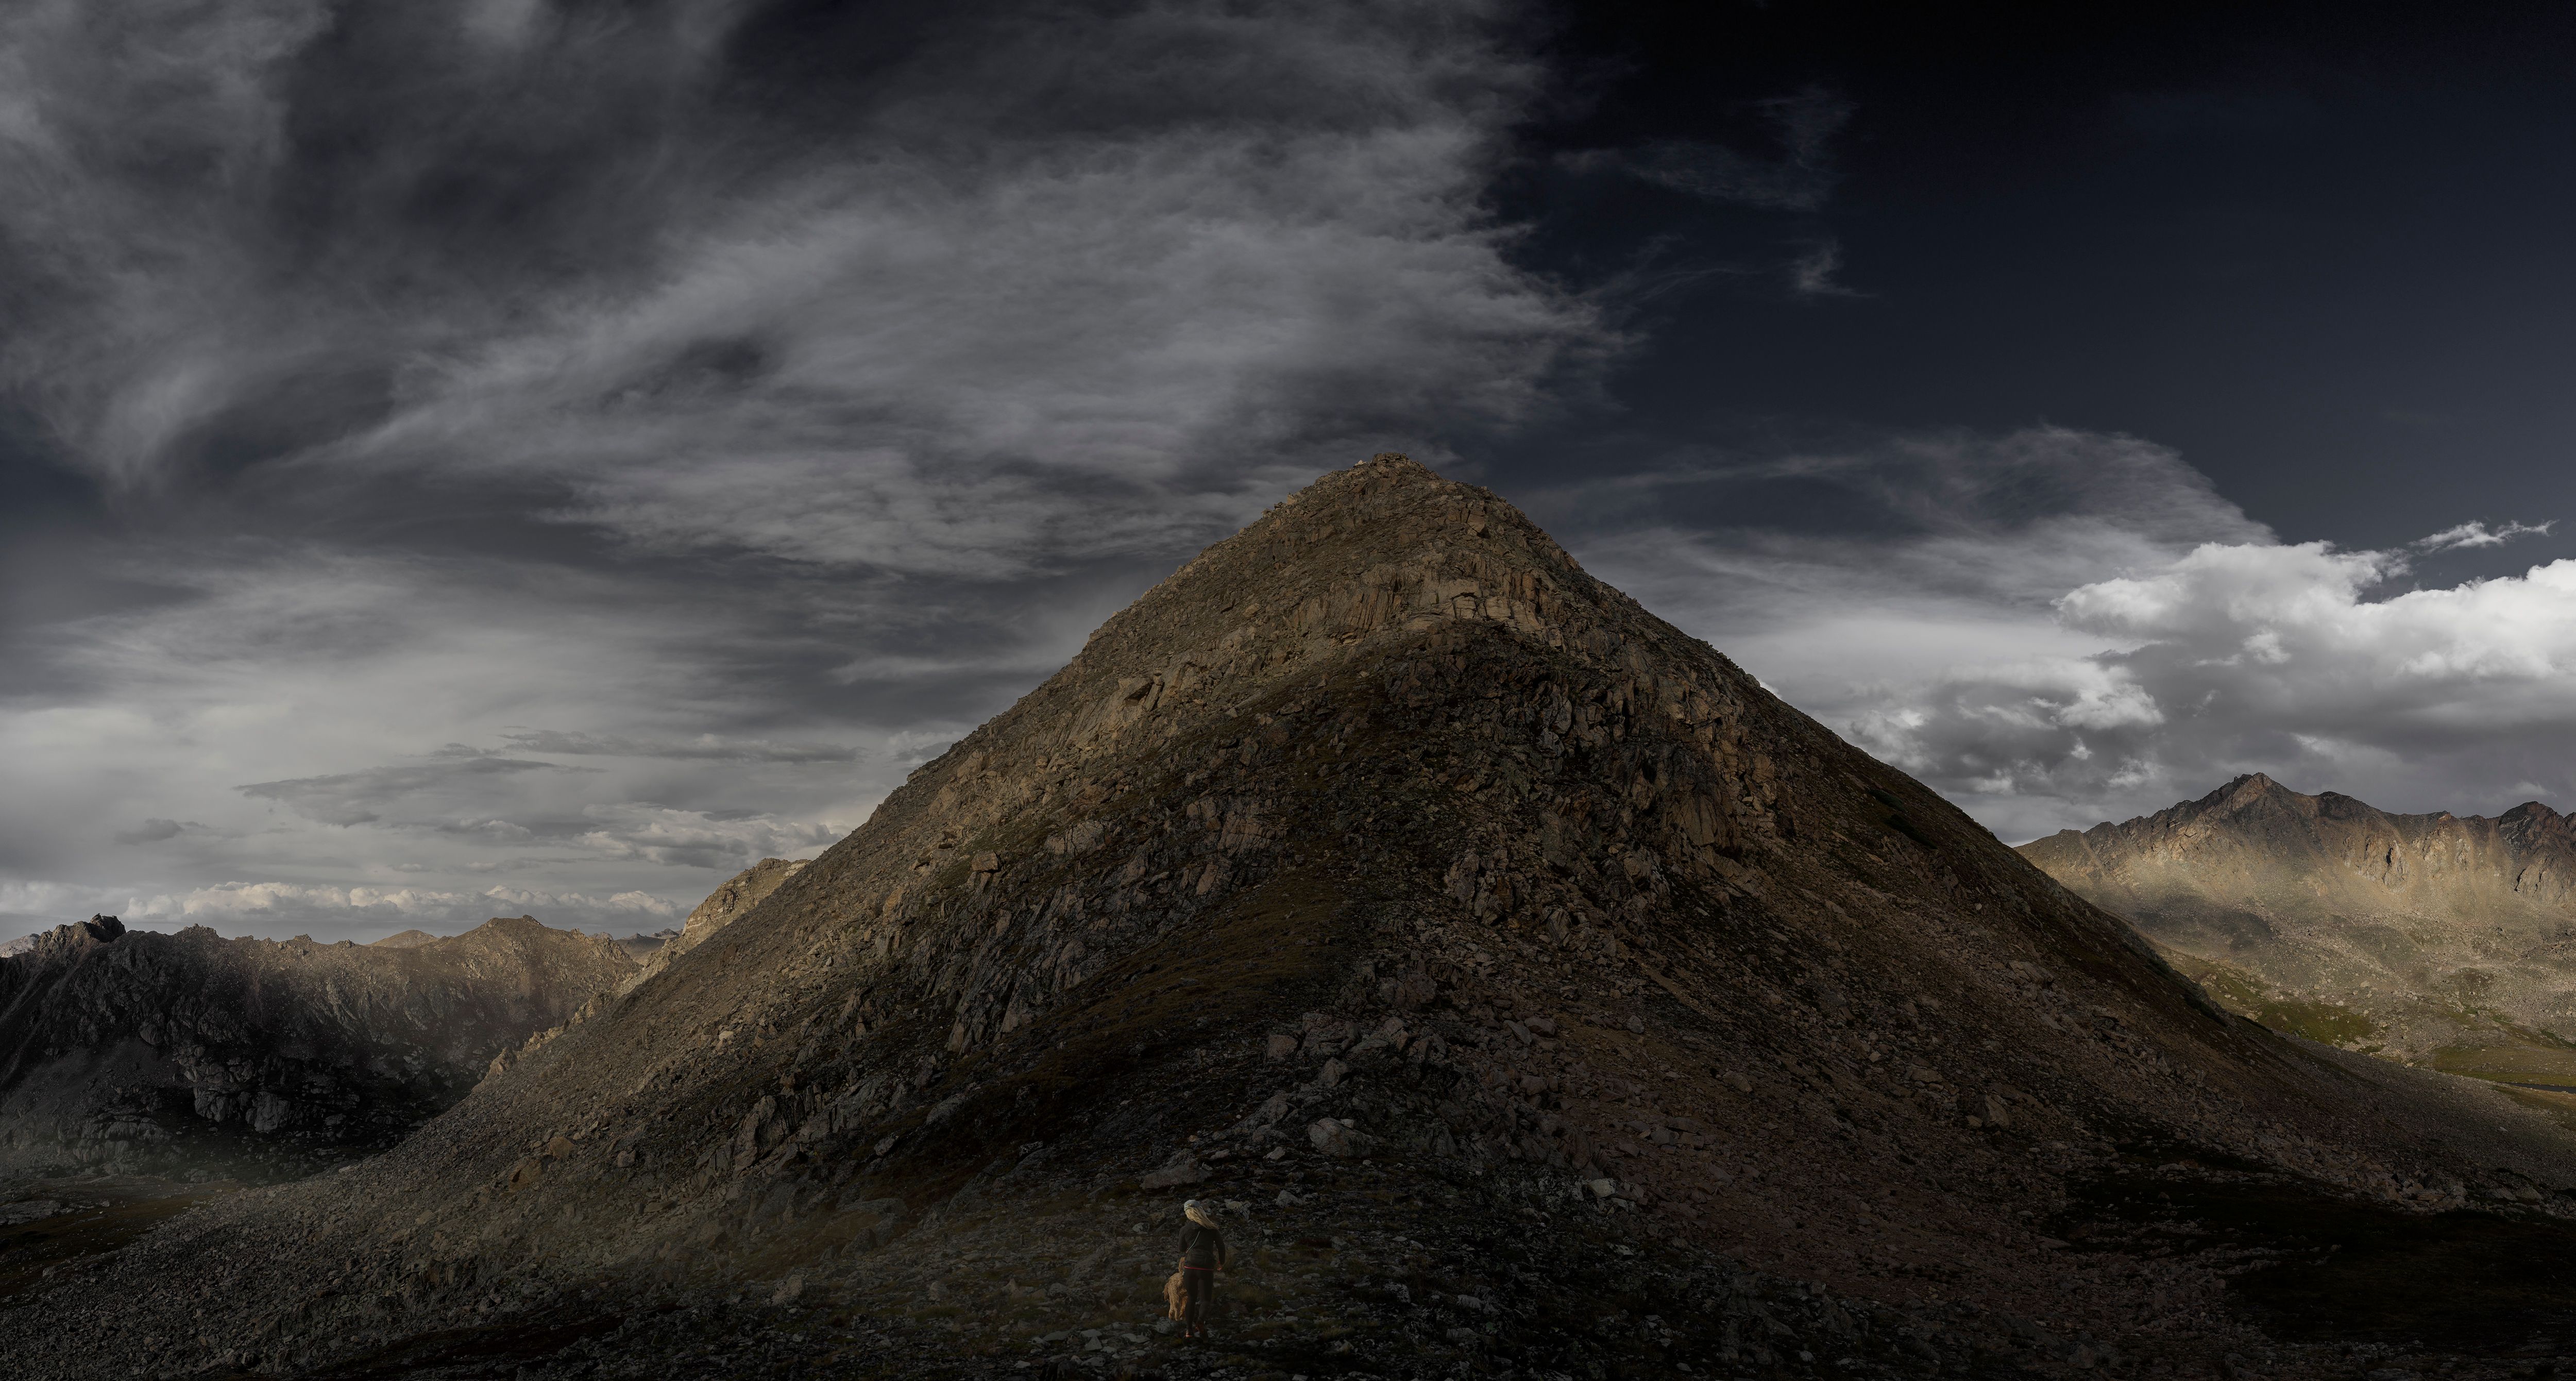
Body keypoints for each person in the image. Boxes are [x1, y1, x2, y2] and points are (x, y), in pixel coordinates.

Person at [1174, 1200, 1229, 1338]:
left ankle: (1189, 1331)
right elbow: (1221, 1247)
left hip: (1190, 1266)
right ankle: (1200, 1321)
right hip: (1206, 1267)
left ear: (1188, 1214)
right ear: (1201, 1211)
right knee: (1205, 1300)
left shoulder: (1184, 1229)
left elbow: (1181, 1249)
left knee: (1191, 1298)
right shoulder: (1212, 1228)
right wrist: (1221, 1262)